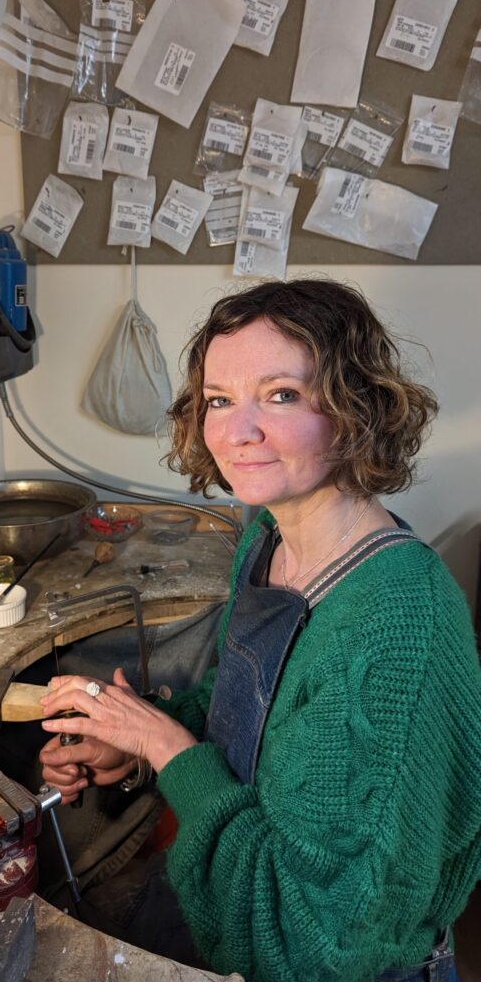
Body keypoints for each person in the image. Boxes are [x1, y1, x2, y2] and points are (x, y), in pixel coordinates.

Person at [38, 279, 481, 982]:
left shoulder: (400, 623)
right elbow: (246, 706)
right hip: (227, 900)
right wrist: (135, 741)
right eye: (219, 399)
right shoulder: (268, 535)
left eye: (281, 394)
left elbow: (316, 945)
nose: (235, 433)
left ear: (354, 407)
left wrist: (168, 747)